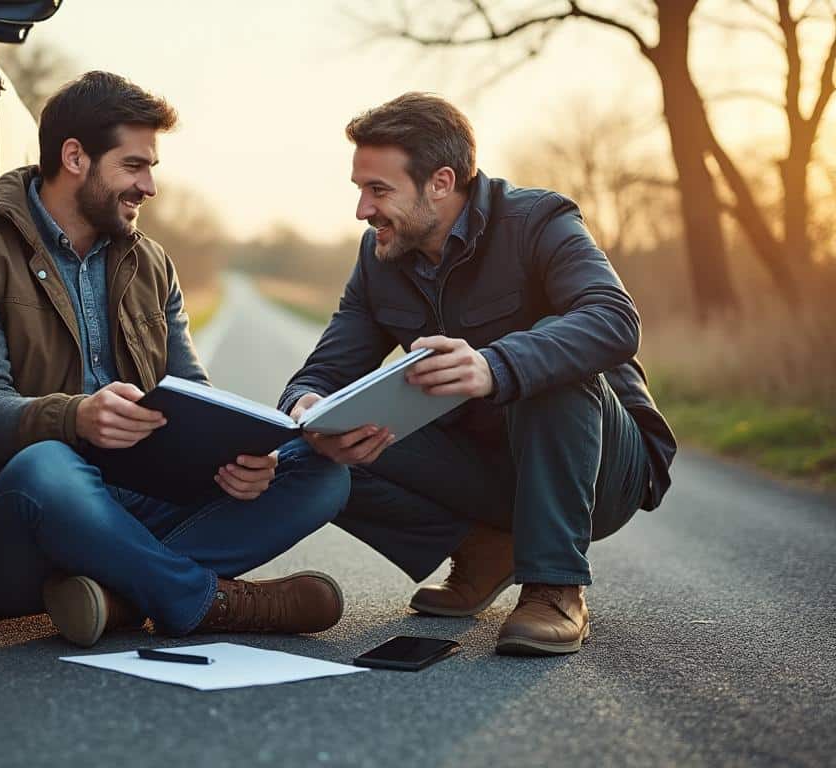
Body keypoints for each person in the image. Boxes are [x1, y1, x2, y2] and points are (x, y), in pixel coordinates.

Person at [0, 71, 351, 648]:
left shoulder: (153, 263)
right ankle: (206, 600)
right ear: (74, 157)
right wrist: (76, 417)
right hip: (25, 528)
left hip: (139, 504)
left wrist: (234, 462)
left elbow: (195, 396)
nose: (149, 186)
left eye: (151, 168)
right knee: (47, 464)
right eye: (134, 166)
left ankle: (124, 592)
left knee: (321, 470)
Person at [280, 92, 677, 655]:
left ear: (440, 183)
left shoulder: (539, 220)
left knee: (547, 368)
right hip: (483, 463)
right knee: (313, 444)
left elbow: (613, 319)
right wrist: (306, 405)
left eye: (379, 190)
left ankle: (555, 585)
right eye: (360, 189)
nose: (363, 210)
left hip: (604, 467)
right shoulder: (378, 259)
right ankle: (484, 549)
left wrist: (495, 365)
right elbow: (324, 370)